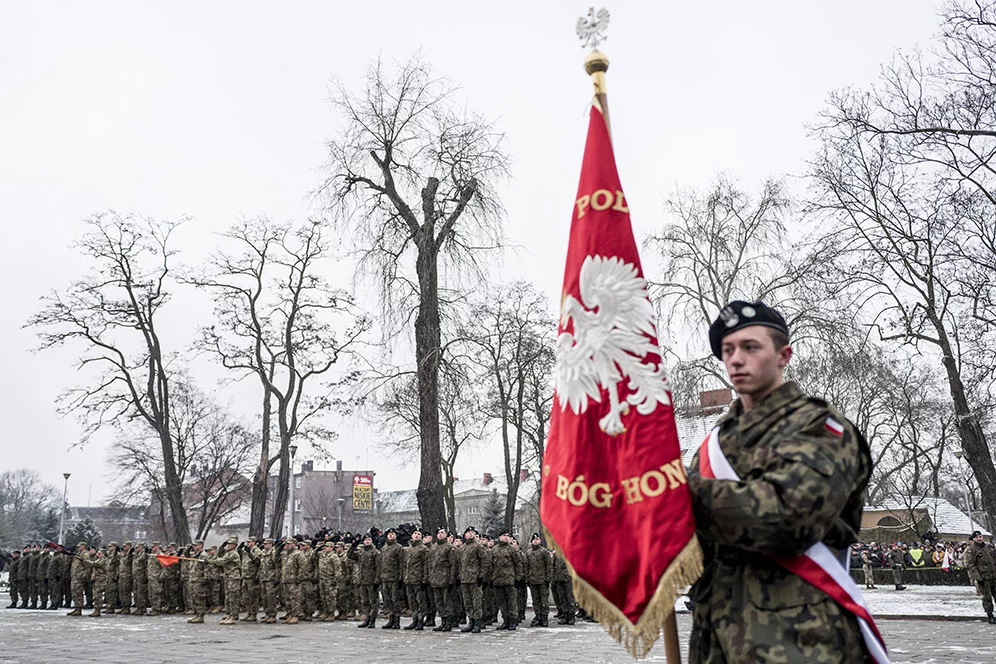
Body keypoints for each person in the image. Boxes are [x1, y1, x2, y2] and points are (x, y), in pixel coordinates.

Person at [687, 300, 872, 663]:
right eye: (728, 350)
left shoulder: (819, 428)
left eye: (750, 347)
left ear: (784, 355)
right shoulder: (714, 445)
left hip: (799, 641)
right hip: (715, 642)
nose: (736, 359)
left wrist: (676, 492)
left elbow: (787, 519)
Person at [457, 527, 487, 633]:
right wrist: (458, 576)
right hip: (464, 579)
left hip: (474, 578)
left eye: (472, 532)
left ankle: (478, 622)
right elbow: (459, 564)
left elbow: (484, 561)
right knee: (467, 602)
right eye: (468, 532)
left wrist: (481, 576)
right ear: (465, 535)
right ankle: (471, 621)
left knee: (476, 601)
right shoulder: (462, 548)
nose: (470, 534)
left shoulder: (478, 547)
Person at [964, 530, 996, 624]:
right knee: (987, 598)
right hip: (983, 578)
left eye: (980, 536)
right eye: (977, 537)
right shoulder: (971, 550)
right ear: (973, 539)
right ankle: (990, 616)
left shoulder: (987, 547)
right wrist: (978, 578)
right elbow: (970, 565)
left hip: (993, 576)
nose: (979, 538)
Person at [525, 533, 552, 627]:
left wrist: (548, 578)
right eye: (534, 539)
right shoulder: (528, 552)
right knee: (535, 600)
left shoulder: (544, 551)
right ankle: (538, 616)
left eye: (537, 539)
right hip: (532, 580)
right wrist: (527, 578)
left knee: (544, 600)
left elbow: (549, 565)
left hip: (542, 580)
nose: (535, 541)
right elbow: (526, 566)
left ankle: (544, 618)